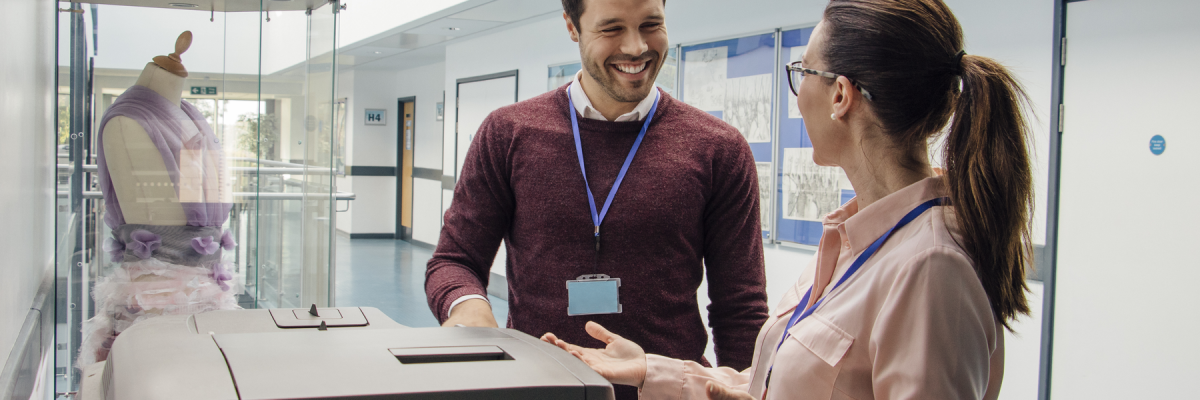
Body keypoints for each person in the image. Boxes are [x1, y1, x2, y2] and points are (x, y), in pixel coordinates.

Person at [541, 0, 1035, 398]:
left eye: (803, 72)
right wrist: (650, 369)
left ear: (841, 95)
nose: (798, 96)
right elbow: (774, 383)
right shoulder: (851, 241)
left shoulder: (930, 266)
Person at [424, 0, 770, 398]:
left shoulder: (718, 148)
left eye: (651, 24)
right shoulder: (509, 134)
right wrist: (468, 308)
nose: (637, 47)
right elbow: (454, 260)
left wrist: (745, 390)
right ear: (572, 26)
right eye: (612, 29)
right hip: (538, 388)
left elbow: (740, 309)